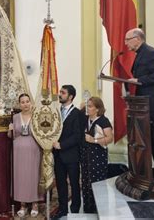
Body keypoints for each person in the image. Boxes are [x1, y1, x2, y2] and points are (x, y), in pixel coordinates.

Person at [124, 28, 154, 185]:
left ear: (137, 39)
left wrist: (139, 80)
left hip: (153, 103)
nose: (125, 43)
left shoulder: (150, 52)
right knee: (150, 138)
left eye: (128, 39)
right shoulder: (140, 54)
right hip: (144, 103)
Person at [7, 94, 43, 217]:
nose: (25, 104)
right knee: (21, 176)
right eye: (23, 102)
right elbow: (11, 136)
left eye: (27, 101)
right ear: (19, 104)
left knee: (33, 175)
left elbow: (42, 133)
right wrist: (9, 130)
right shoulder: (15, 117)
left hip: (34, 150)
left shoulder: (37, 116)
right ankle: (22, 204)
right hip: (18, 152)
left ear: (30, 103)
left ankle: (35, 203)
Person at [51, 85, 83, 219]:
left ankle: (75, 210)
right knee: (60, 183)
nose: (60, 94)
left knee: (74, 184)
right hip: (58, 156)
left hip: (71, 155)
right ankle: (62, 209)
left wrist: (61, 145)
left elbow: (77, 136)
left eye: (63, 93)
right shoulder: (56, 112)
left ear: (70, 97)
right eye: (60, 92)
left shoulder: (78, 114)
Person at [80, 97, 113, 213]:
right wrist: (83, 105)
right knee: (85, 181)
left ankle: (99, 210)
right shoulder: (85, 119)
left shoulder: (104, 121)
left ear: (97, 109)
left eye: (90, 106)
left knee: (97, 182)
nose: (87, 109)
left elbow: (109, 139)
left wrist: (94, 140)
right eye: (87, 106)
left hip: (98, 156)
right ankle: (88, 209)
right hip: (85, 156)